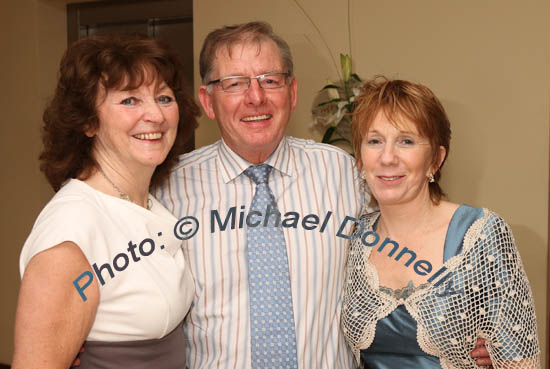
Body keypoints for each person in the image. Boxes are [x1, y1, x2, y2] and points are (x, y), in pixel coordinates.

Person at [155, 22, 493, 369]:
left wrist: (463, 326)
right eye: (235, 83)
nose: (255, 96)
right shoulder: (167, 190)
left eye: (270, 80)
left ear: (292, 91)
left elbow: (410, 245)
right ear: (207, 101)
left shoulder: (344, 173)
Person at [13, 34, 199, 369]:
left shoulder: (151, 206)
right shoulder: (71, 232)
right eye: (130, 100)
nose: (155, 115)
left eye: (163, 97)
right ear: (88, 121)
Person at [341, 77, 540, 368]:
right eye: (374, 141)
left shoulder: (481, 235)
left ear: (436, 159)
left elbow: (521, 362)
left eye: (406, 141)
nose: (387, 157)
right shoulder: (352, 239)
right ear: (359, 159)